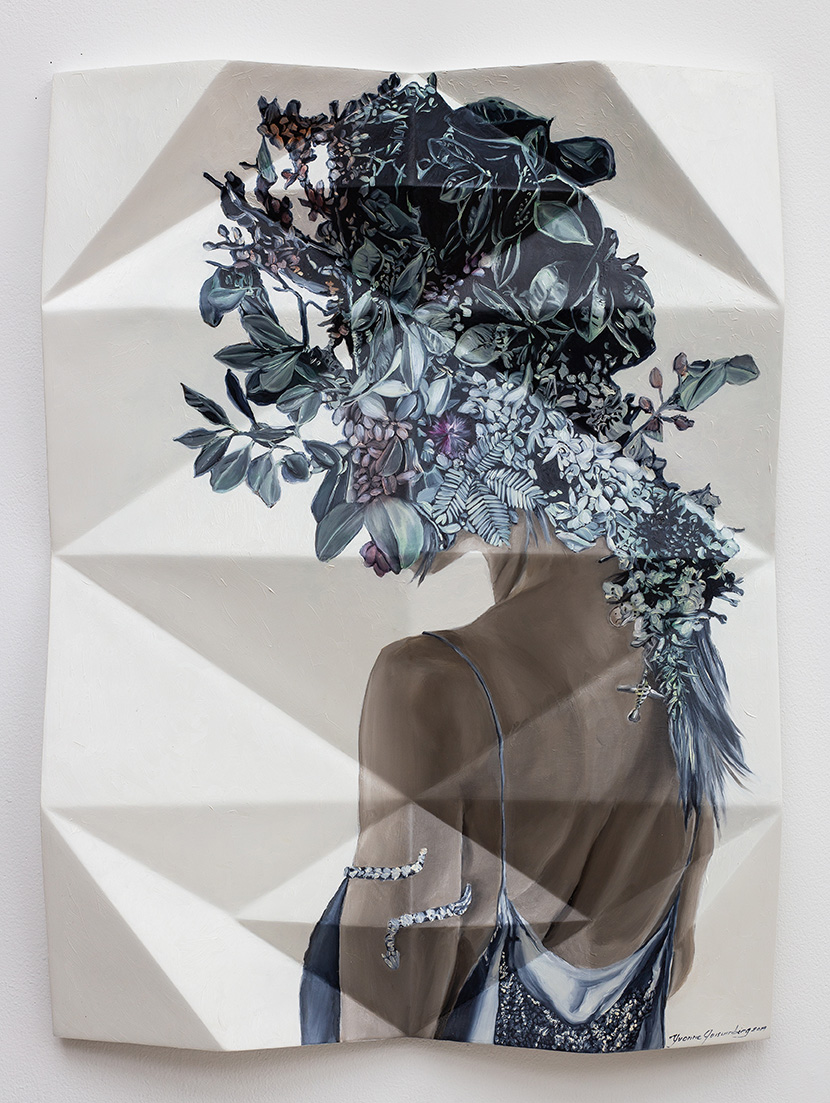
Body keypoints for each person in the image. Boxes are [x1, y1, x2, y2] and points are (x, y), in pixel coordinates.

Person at [179, 72, 758, 1052]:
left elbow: (371, 1051)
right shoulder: (677, 659)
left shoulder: (431, 691)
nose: (360, 449)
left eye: (373, 387)